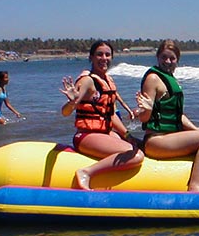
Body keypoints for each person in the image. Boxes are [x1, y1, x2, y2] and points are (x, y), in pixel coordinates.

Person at [136, 39, 199, 192]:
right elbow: (144, 118)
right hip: (156, 141)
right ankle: (195, 184)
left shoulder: (170, 79)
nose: (168, 61)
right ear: (157, 57)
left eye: (172, 58)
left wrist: (196, 131)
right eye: (164, 57)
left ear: (177, 60)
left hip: (169, 138)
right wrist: (146, 109)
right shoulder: (153, 79)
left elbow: (177, 115)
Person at [60, 40, 144, 190]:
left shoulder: (108, 80)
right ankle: (86, 172)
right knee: (136, 155)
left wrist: (128, 135)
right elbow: (65, 112)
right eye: (99, 54)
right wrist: (72, 102)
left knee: (139, 145)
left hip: (105, 133)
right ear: (91, 57)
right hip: (86, 136)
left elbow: (110, 115)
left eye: (107, 55)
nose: (104, 58)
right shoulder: (87, 81)